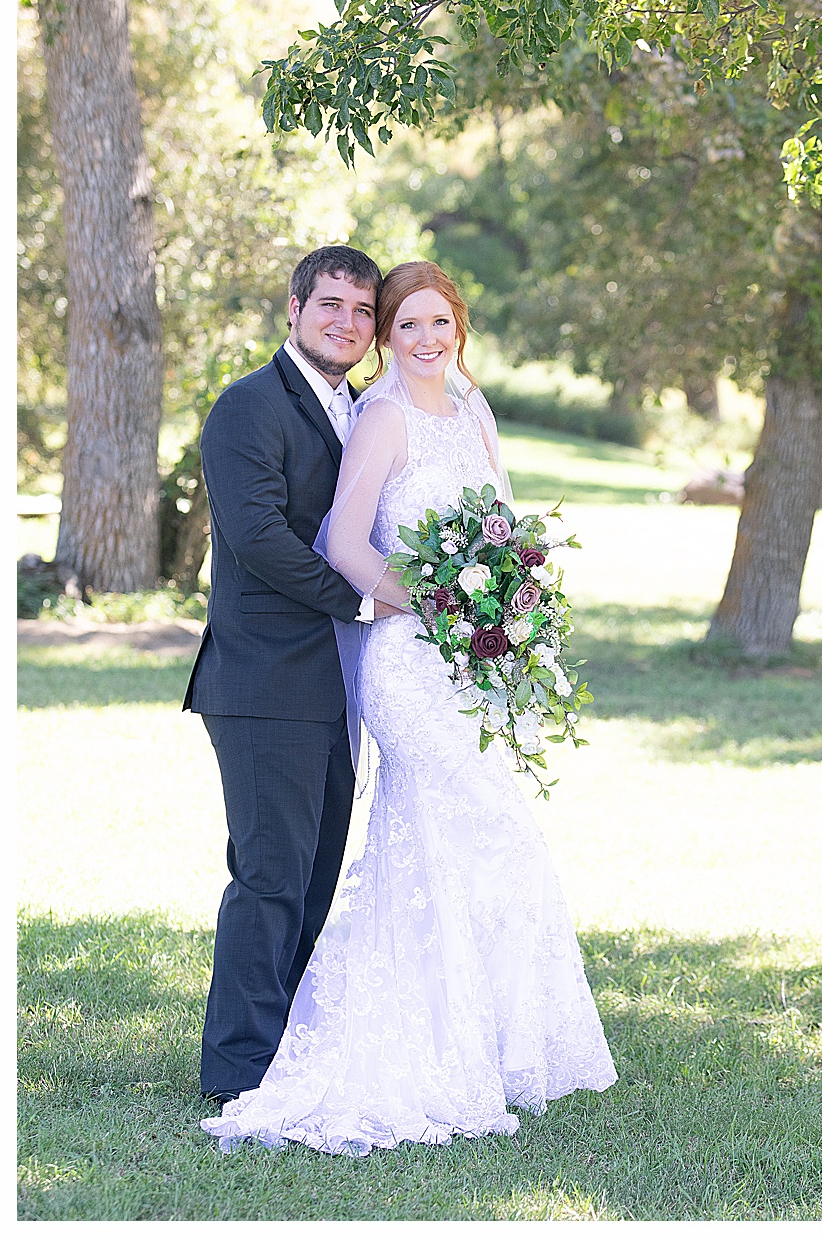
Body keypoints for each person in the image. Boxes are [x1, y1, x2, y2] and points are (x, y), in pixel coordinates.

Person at [201, 262, 616, 1154]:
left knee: (416, 846)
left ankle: (480, 1037)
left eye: (435, 322)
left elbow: (505, 530)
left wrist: (509, 615)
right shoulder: (341, 411)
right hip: (357, 663)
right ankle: (256, 1065)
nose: (419, 338)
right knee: (298, 863)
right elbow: (318, 539)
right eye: (401, 323)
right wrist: (428, 607)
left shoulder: (461, 410)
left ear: (458, 326)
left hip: (448, 663)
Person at [186, 245, 388, 1106]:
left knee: (311, 875)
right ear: (296, 310)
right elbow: (258, 538)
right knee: (270, 876)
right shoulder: (248, 407)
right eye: (330, 306)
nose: (346, 323)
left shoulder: (359, 410)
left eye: (361, 312)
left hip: (335, 688)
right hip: (264, 680)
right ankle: (238, 1069)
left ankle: (287, 1052)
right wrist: (366, 602)